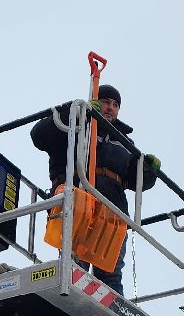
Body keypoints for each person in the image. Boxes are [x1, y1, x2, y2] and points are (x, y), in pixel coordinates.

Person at [29, 83, 161, 292]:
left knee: (110, 274)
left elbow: (136, 181)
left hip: (111, 212)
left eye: (115, 105)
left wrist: (148, 170)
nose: (110, 107)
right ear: (96, 101)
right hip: (78, 203)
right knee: (74, 266)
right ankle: (72, 309)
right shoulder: (74, 120)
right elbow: (39, 135)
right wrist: (79, 113)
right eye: (106, 102)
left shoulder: (124, 142)